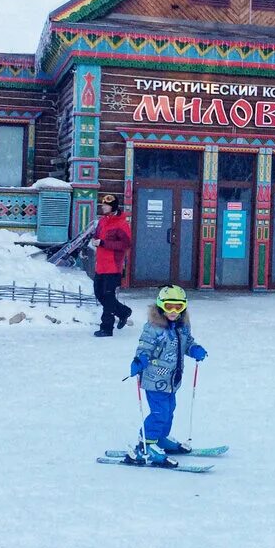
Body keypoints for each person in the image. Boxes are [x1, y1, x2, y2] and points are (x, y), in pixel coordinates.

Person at [125, 284, 208, 468]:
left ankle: (160, 438)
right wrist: (140, 360)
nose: (173, 311)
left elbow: (187, 343)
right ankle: (146, 444)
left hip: (172, 380)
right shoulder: (153, 328)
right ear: (161, 306)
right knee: (159, 413)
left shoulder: (182, 326)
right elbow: (144, 347)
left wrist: (194, 349)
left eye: (178, 307)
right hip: (154, 380)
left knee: (169, 410)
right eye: (169, 306)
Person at [91, 194, 133, 338]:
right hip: (100, 265)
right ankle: (123, 312)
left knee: (108, 297)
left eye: (106, 205)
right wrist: (95, 240)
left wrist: (103, 243)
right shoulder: (102, 221)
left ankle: (106, 328)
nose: (103, 207)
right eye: (102, 204)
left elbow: (126, 244)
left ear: (113, 207)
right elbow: (96, 235)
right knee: (99, 294)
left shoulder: (122, 224)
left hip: (113, 267)